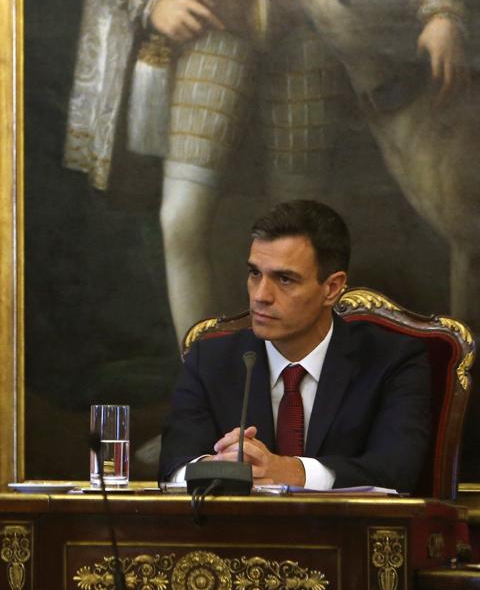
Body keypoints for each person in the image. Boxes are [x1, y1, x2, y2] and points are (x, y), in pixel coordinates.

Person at [65, 0, 467, 343]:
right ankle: (203, 385)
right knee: (182, 220)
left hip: (309, 25)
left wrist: (440, 10)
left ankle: (294, 386)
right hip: (213, 15)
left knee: (299, 237)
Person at [159, 200, 431, 492]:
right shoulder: (211, 359)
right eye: (254, 274)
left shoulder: (392, 361)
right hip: (238, 534)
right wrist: (216, 469)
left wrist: (292, 471)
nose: (261, 296)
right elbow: (173, 466)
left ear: (331, 288)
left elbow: (398, 470)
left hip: (347, 535)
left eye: (285, 279)